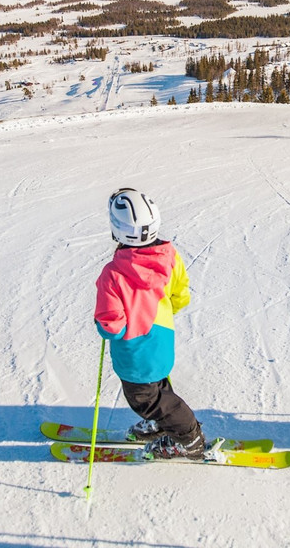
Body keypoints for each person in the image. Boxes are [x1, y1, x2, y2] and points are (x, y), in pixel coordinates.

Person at [93, 187, 206, 459]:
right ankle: (161, 425)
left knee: (147, 400)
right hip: (161, 341)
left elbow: (113, 327)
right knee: (159, 387)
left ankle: (188, 437)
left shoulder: (113, 274)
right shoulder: (169, 256)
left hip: (134, 354)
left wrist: (103, 324)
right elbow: (181, 295)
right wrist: (161, 314)